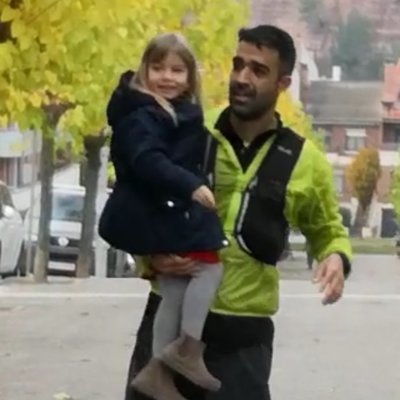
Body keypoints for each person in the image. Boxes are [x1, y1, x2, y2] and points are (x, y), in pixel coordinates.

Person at [123, 25, 352, 400]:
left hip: (243, 341)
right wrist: (149, 256)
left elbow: (327, 229)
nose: (242, 78)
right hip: (169, 321)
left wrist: (336, 257)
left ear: (283, 83)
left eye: (258, 70)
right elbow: (136, 201)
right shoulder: (190, 129)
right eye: (238, 65)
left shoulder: (305, 160)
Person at [99, 33, 228, 400]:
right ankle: (187, 348)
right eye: (158, 68)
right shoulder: (143, 114)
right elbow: (147, 160)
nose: (167, 77)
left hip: (163, 210)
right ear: (145, 70)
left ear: (190, 77)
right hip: (159, 211)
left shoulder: (173, 111)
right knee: (209, 268)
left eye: (177, 70)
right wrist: (191, 185)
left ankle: (158, 372)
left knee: (173, 290)